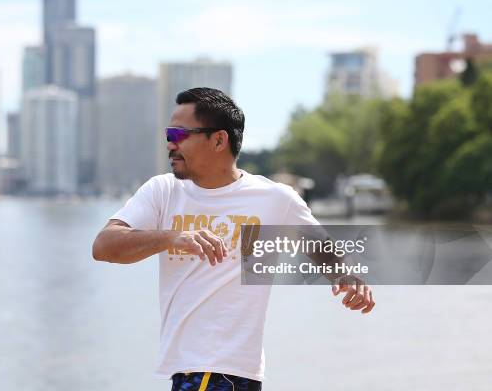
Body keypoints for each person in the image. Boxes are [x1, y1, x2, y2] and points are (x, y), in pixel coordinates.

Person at [92, 87, 375, 390]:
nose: (170, 144)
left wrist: (345, 276)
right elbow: (104, 246)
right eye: (169, 134)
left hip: (220, 370)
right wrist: (172, 238)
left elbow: (321, 246)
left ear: (218, 140)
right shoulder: (162, 191)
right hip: (192, 371)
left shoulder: (275, 198)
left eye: (179, 134)